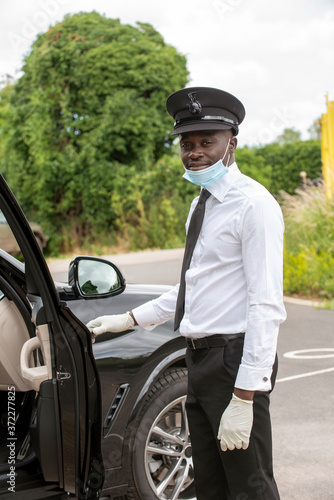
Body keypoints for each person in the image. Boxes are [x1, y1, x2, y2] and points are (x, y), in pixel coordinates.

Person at [87, 87, 286, 500]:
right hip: (198, 360)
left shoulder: (254, 205)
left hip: (233, 364)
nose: (194, 152)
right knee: (209, 486)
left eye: (206, 142)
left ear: (232, 142)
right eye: (187, 143)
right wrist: (129, 319)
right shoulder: (202, 205)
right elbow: (194, 288)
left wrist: (246, 397)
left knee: (250, 488)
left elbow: (265, 305)